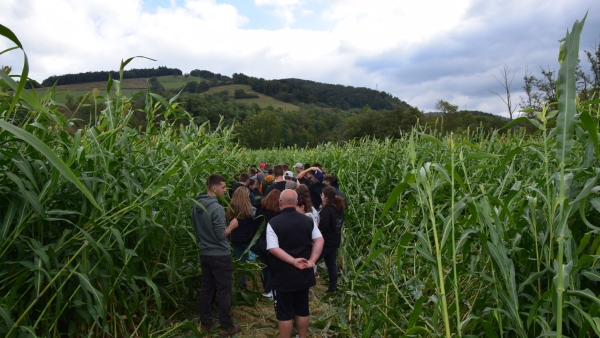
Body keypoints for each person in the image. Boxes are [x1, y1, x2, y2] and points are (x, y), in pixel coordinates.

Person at [267, 189, 324, 338]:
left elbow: (273, 248)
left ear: (280, 202)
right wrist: (312, 260)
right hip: (304, 272)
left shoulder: (273, 223)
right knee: (302, 308)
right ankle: (302, 336)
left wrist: (293, 261)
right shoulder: (307, 220)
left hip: (282, 274)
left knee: (284, 312)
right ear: (296, 202)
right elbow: (319, 240)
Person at [191, 174, 242, 336]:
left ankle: (206, 322)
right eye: (223, 187)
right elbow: (221, 234)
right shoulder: (216, 208)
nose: (225, 190)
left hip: (205, 253)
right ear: (214, 188)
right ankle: (226, 326)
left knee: (207, 288)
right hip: (219, 255)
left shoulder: (196, 205)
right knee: (223, 290)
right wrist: (232, 225)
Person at [251, 189, 282, 298]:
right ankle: (269, 290)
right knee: (273, 267)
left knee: (264, 266)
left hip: (260, 240)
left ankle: (266, 288)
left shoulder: (260, 208)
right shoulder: (277, 212)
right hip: (271, 243)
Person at [227, 187, 257, 288]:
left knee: (241, 261)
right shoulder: (250, 210)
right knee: (257, 257)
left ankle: (242, 283)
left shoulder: (230, 209)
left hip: (236, 239)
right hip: (248, 239)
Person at [318, 186, 345, 293]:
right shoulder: (339, 208)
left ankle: (305, 286)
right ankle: (333, 288)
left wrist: (316, 234)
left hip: (325, 241)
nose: (321, 196)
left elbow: (323, 226)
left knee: (312, 261)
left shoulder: (327, 210)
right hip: (334, 240)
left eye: (322, 195)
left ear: (327, 197)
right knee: (331, 264)